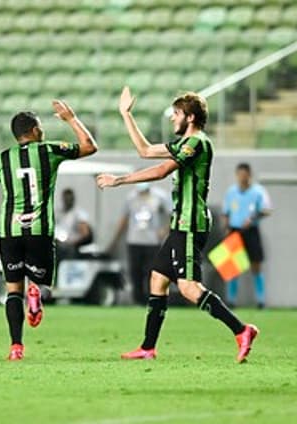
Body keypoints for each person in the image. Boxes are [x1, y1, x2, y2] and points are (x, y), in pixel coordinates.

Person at [96, 86, 258, 362]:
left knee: (188, 288)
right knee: (157, 279)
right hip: (179, 224)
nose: (173, 118)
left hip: (190, 224)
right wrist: (126, 114)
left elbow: (161, 171)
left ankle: (242, 330)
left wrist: (119, 180)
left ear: (191, 118)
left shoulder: (197, 143)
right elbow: (145, 151)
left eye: (177, 114)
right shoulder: (186, 143)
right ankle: (148, 347)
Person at [0, 101, 98, 361]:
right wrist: (71, 118)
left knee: (12, 291)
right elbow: (89, 146)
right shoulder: (49, 151)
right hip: (39, 232)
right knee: (42, 284)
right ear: (34, 130)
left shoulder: (2, 159)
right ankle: (37, 292)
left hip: (10, 233)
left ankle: (16, 347)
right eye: (40, 127)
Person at [107, 182, 171, 305]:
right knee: (135, 272)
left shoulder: (159, 196)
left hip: (152, 241)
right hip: (134, 240)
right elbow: (124, 219)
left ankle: (152, 298)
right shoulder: (131, 197)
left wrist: (165, 230)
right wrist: (115, 239)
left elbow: (171, 214)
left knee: (151, 272)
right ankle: (138, 300)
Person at [222, 163, 272, 308]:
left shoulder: (258, 191)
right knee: (232, 267)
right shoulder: (231, 192)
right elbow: (226, 212)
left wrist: (253, 218)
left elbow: (267, 209)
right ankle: (231, 300)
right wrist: (226, 227)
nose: (242, 177)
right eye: (240, 174)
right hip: (234, 230)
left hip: (251, 231)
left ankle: (261, 300)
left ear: (249, 175)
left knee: (256, 264)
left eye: (245, 174)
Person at [55, 188, 93, 259]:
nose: (67, 201)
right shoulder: (59, 212)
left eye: (69, 199)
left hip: (73, 247)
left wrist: (73, 242)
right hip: (61, 244)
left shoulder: (79, 214)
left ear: (73, 199)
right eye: (65, 199)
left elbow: (85, 233)